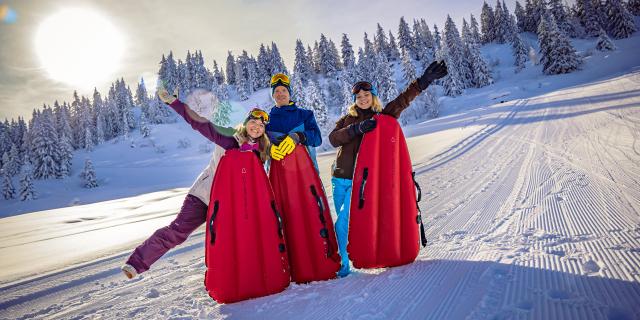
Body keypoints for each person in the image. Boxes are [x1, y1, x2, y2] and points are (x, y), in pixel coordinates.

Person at [121, 86, 272, 279]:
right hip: (203, 197)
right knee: (178, 232)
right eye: (253, 121)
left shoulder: (259, 153)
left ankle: (237, 279)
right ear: (245, 123)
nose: (256, 127)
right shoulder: (228, 137)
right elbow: (199, 123)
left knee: (236, 239)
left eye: (261, 125)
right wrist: (175, 103)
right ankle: (136, 263)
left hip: (227, 205)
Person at [328, 60, 448, 277]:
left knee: (344, 222)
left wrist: (423, 82)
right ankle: (351, 259)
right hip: (340, 180)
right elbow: (334, 139)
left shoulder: (382, 116)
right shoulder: (347, 119)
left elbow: (403, 100)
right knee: (346, 224)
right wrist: (357, 128)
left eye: (367, 96)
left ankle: (343, 268)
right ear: (354, 100)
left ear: (373, 97)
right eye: (359, 97)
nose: (363, 100)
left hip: (361, 183)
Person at [267, 73, 322, 169]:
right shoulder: (266, 121)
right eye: (276, 91)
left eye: (284, 90)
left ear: (289, 93)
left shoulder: (305, 115)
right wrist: (268, 148)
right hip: (277, 178)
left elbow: (317, 139)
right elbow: (256, 143)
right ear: (273, 95)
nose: (281, 94)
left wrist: (298, 136)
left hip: (307, 175)